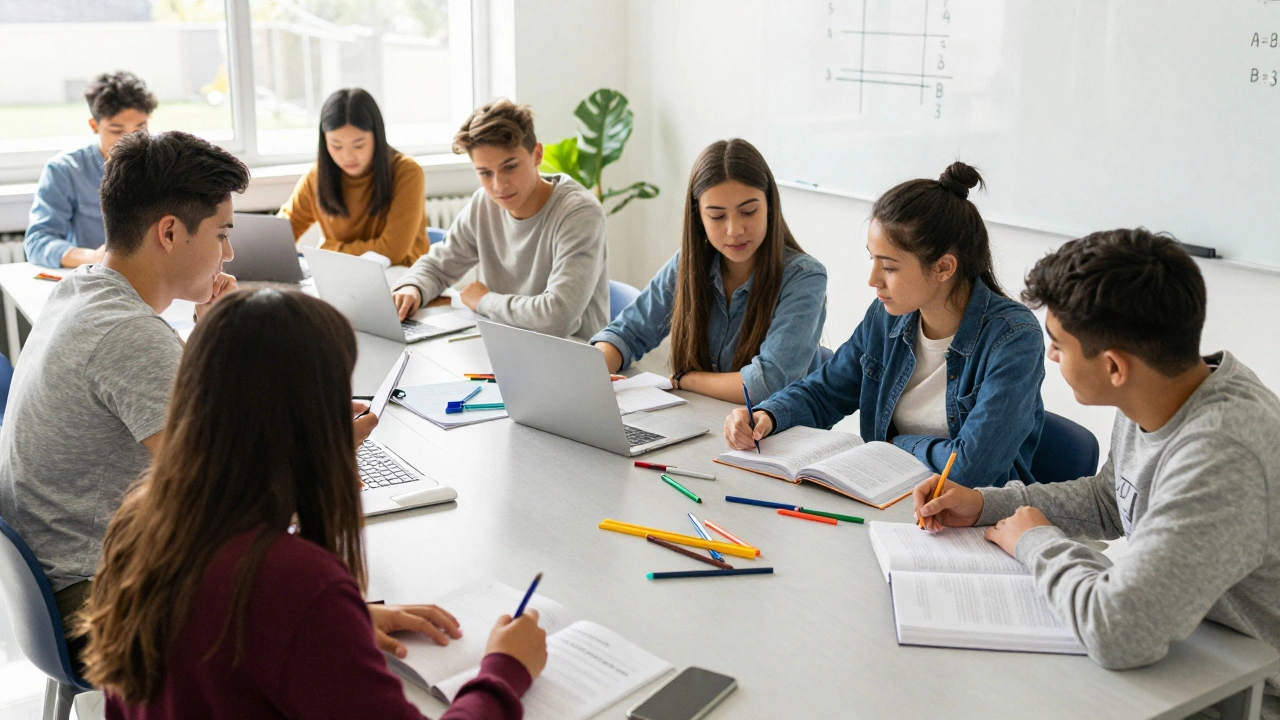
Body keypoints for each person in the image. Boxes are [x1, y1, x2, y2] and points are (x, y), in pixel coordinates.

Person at [81, 289, 547, 718]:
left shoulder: (140, 522)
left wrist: (343, 625)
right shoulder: (291, 582)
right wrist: (504, 670)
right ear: (307, 423)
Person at [914, 229, 1280, 715]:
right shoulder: (1159, 389)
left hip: (1244, 688)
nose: (1051, 355)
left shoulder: (1221, 454)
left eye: (1060, 344)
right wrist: (987, 503)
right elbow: (1112, 499)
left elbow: (1118, 632)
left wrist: (1034, 540)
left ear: (1114, 367)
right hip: (1196, 646)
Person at [725, 163, 1045, 488]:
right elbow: (826, 391)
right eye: (872, 259)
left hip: (972, 518)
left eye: (889, 267)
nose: (873, 280)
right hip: (891, 495)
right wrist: (768, 415)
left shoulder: (1013, 338)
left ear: (944, 267)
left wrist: (895, 446)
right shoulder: (885, 316)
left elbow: (971, 467)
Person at [590, 138, 827, 403]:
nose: (734, 230)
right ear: (698, 217)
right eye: (717, 216)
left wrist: (686, 380)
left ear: (770, 206)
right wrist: (596, 371)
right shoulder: (690, 263)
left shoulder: (804, 277)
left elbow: (766, 385)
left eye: (748, 211)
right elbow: (627, 333)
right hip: (709, 418)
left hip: (780, 433)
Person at [391, 99, 609, 341]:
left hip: (572, 356)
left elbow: (557, 317)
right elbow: (438, 266)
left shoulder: (579, 213)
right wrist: (412, 288)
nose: (498, 185)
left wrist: (484, 300)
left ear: (537, 154)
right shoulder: (483, 204)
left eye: (510, 167)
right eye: (485, 173)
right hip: (505, 345)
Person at [279, 88, 429, 266]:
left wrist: (328, 249)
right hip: (343, 272)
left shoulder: (406, 172)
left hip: (401, 275)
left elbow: (392, 251)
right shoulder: (318, 176)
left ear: (377, 137)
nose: (347, 156)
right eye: (336, 146)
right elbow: (282, 232)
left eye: (358, 145)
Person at [24, 71, 156, 269]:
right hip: (94, 280)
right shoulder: (64, 170)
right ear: (94, 125)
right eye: (117, 130)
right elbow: (38, 242)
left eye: (140, 128)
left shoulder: (162, 165)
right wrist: (95, 257)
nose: (131, 140)